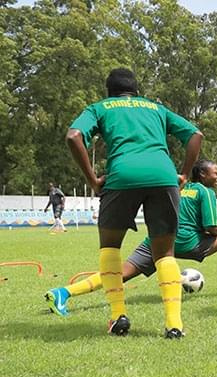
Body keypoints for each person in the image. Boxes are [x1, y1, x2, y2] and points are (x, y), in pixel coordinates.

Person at [65, 68, 202, 338]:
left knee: (110, 247)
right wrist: (184, 173)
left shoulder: (100, 108)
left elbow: (73, 136)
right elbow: (195, 134)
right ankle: (174, 325)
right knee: (164, 254)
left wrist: (93, 180)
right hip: (163, 176)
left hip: (121, 178)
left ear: (109, 91)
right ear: (136, 90)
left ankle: (118, 317)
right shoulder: (155, 108)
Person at [45, 160, 217, 316]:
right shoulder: (206, 192)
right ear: (203, 174)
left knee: (119, 273)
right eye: (216, 173)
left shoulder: (178, 186)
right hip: (186, 243)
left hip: (159, 239)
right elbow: (211, 226)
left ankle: (63, 293)